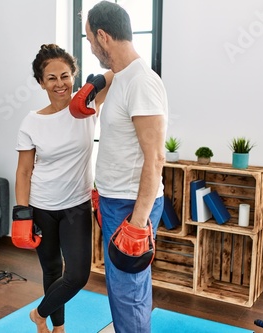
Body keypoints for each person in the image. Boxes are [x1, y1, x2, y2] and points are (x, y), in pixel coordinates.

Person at [14, 43, 112, 333]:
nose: (60, 84)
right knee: (52, 270)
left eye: (66, 75)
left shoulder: (89, 106)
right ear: (41, 82)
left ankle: (38, 313)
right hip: (42, 206)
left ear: (73, 76)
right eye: (52, 78)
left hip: (77, 206)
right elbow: (24, 171)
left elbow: (117, 71)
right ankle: (58, 328)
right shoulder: (32, 122)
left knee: (78, 274)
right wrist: (22, 214)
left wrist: (94, 84)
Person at [85, 2, 169, 332]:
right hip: (114, 200)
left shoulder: (141, 83)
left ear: (103, 36)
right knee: (128, 290)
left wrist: (138, 221)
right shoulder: (121, 78)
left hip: (130, 207)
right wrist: (94, 86)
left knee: (128, 294)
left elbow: (156, 157)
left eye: (90, 39)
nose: (90, 47)